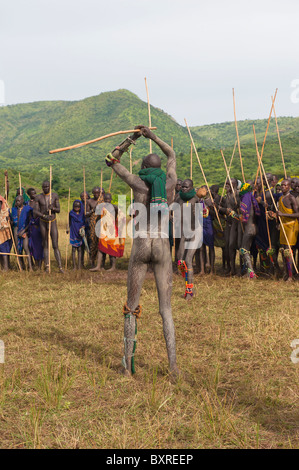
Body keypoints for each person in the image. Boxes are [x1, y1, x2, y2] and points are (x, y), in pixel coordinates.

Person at [105, 125, 179, 380]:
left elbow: (111, 160)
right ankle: (173, 368)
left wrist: (131, 139)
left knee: (132, 306)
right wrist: (153, 137)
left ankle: (127, 367)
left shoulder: (138, 182)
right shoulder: (169, 183)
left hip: (141, 244)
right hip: (161, 244)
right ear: (159, 167)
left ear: (145, 167)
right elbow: (171, 155)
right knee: (166, 309)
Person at [270, 179, 299, 281]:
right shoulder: (280, 198)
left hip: (291, 226)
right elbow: (279, 213)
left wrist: (283, 214)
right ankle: (285, 274)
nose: (283, 187)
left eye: (285, 185)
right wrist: (276, 217)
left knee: (288, 251)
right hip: (283, 227)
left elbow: (297, 214)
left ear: (289, 187)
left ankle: (290, 276)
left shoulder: (291, 198)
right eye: (282, 185)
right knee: (283, 251)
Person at [175, 178, 200, 299]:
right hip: (184, 233)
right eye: (183, 187)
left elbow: (199, 218)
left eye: (186, 187)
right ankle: (187, 284)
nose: (183, 189)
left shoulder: (196, 199)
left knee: (188, 260)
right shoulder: (178, 198)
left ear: (191, 188)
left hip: (195, 232)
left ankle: (189, 291)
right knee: (180, 261)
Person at [33, 180, 63, 273]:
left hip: (52, 222)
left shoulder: (54, 196)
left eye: (47, 186)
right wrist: (44, 215)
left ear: (50, 187)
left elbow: (58, 210)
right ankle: (46, 266)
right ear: (42, 187)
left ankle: (60, 267)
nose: (45, 188)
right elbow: (35, 211)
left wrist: (53, 208)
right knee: (45, 244)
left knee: (55, 244)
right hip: (43, 222)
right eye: (44, 187)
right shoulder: (38, 197)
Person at [91, 192, 125, 271]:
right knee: (101, 248)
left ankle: (113, 267)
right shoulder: (102, 207)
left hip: (111, 231)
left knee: (112, 249)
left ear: (111, 199)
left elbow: (121, 214)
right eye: (105, 199)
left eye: (108, 199)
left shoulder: (114, 207)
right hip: (103, 231)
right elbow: (95, 210)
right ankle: (98, 266)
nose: (107, 201)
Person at [11, 195, 33, 271]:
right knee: (18, 249)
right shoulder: (13, 210)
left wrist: (25, 231)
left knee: (26, 247)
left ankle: (30, 267)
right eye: (16, 201)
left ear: (22, 200)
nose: (17, 202)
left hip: (24, 230)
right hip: (16, 230)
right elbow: (12, 221)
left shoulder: (27, 209)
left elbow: (30, 221)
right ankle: (21, 267)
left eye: (19, 201)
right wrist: (10, 221)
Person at [27, 188, 44, 269]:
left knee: (40, 246)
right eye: (32, 193)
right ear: (29, 195)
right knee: (32, 246)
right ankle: (36, 263)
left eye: (35, 193)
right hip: (32, 226)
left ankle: (40, 264)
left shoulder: (38, 202)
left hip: (39, 225)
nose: (34, 195)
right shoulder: (27, 203)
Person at [67, 199, 85, 270]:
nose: (76, 208)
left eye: (78, 207)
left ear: (80, 207)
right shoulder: (71, 213)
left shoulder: (82, 213)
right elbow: (69, 222)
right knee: (74, 249)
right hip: (73, 232)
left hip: (79, 233)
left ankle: (79, 266)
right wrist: (67, 228)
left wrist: (83, 227)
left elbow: (84, 222)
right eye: (75, 207)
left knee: (80, 249)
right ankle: (74, 266)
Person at [0, 194, 11, 271]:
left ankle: (6, 267)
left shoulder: (5, 210)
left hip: (4, 230)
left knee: (4, 249)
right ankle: (3, 266)